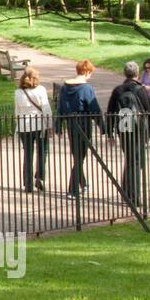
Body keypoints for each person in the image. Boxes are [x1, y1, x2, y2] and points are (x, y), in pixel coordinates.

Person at [107, 62, 150, 207]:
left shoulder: (118, 90)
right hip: (139, 130)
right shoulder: (140, 89)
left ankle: (127, 192)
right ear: (137, 73)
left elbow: (110, 112)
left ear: (124, 73)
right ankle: (133, 196)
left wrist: (110, 133)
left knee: (130, 158)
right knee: (136, 162)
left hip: (123, 129)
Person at [57, 59, 103, 200]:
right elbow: (94, 108)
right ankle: (72, 189)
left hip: (71, 125)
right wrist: (104, 128)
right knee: (79, 157)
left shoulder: (64, 88)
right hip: (84, 125)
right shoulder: (86, 88)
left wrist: (58, 125)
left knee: (77, 156)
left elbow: (60, 108)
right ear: (87, 72)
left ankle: (83, 183)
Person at [13, 66, 52, 193]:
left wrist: (18, 125)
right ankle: (39, 177)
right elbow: (46, 109)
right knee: (42, 152)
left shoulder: (18, 92)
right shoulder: (40, 90)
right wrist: (50, 125)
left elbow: (17, 111)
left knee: (28, 154)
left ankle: (28, 183)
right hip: (40, 125)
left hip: (24, 126)